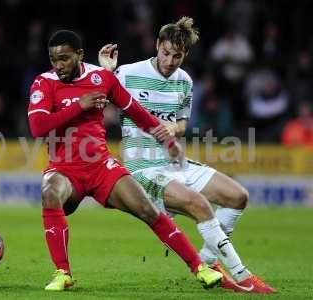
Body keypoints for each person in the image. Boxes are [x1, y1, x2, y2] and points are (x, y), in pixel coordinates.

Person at [27, 30, 223, 292]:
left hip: (101, 167)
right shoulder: (44, 83)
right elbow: (38, 127)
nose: (58, 65)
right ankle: (63, 273)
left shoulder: (101, 78)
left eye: (64, 58)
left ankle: (200, 268)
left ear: (79, 55)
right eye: (53, 59)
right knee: (49, 192)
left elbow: (135, 110)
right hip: (65, 169)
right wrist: (79, 106)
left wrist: (167, 140)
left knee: (147, 210)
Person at [98, 17, 275, 294]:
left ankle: (209, 260)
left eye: (176, 56)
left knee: (238, 196)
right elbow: (96, 101)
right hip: (142, 169)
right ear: (157, 45)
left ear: (185, 54)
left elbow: (182, 123)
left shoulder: (185, 82)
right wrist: (106, 73)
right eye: (165, 53)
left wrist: (174, 127)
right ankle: (242, 276)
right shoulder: (128, 73)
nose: (169, 61)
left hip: (174, 164)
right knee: (200, 204)